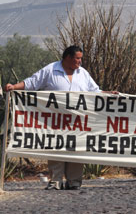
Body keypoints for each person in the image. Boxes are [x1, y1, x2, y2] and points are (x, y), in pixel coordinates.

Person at [4, 45, 104, 190]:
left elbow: (95, 91)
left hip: (77, 123)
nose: (80, 62)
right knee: (56, 149)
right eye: (77, 58)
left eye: (80, 58)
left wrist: (109, 94)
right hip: (55, 122)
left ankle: (74, 182)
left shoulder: (83, 73)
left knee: (76, 150)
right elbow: (32, 82)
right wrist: (14, 87)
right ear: (68, 57)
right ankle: (55, 181)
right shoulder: (51, 70)